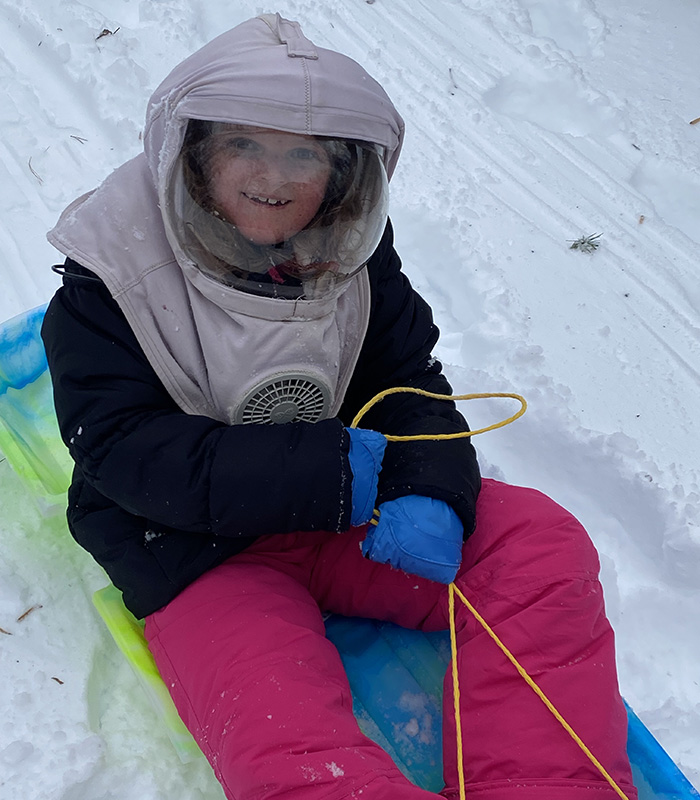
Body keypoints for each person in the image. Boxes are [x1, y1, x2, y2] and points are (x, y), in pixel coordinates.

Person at [41, 13, 638, 800]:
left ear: (344, 172)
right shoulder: (106, 285)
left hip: (350, 517)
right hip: (195, 551)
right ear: (190, 154)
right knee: (289, 744)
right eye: (242, 145)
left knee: (534, 546)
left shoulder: (348, 249)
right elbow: (120, 448)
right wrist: (323, 473)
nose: (274, 175)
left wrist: (429, 483)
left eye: (304, 154)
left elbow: (406, 372)